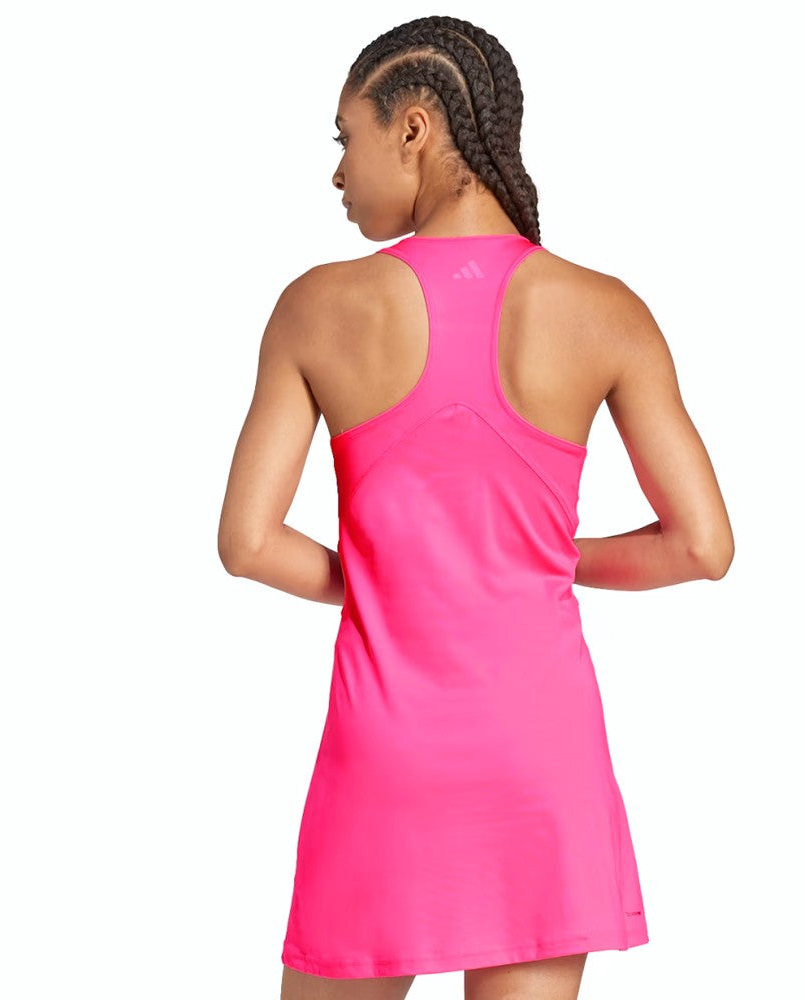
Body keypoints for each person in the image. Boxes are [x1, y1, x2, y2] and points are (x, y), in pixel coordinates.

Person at [217, 15, 734, 1000]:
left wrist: (393, 574)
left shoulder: (317, 307)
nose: (338, 172)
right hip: (539, 759)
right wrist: (535, 556)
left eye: (346, 137)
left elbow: (247, 542)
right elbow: (701, 546)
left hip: (386, 755)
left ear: (412, 127)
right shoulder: (605, 310)